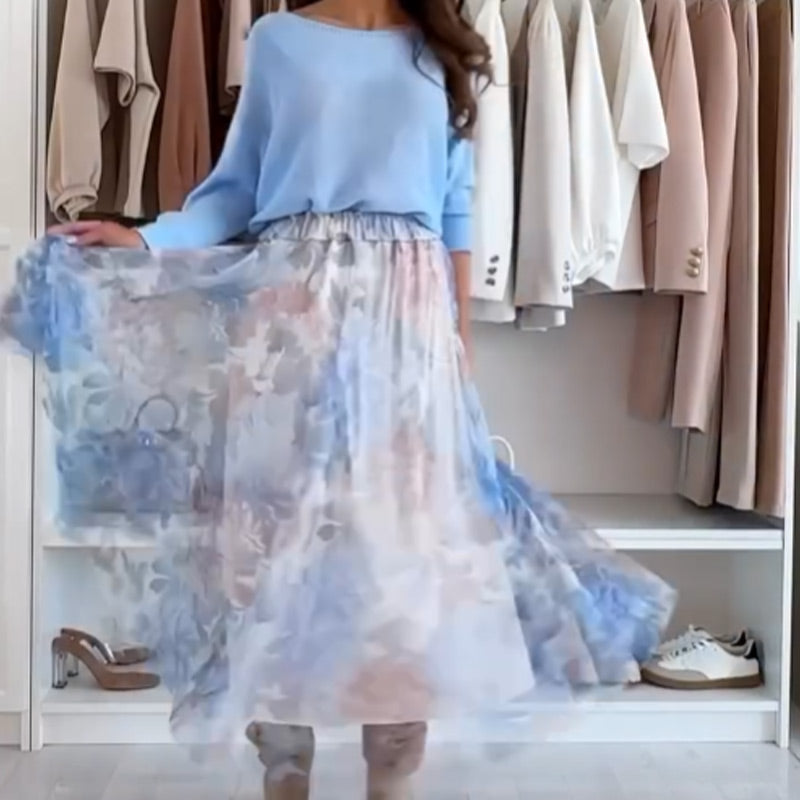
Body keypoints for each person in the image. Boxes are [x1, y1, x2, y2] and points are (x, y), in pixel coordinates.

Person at [47, 2, 675, 799]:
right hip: (289, 322)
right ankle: (285, 773)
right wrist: (147, 238)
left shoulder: (443, 49)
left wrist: (457, 347)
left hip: (407, 330)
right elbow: (234, 193)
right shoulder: (277, 40)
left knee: (403, 566)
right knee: (275, 557)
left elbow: (455, 207)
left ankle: (392, 777)